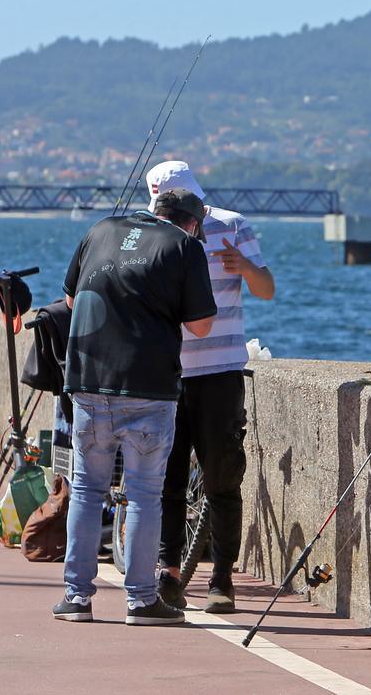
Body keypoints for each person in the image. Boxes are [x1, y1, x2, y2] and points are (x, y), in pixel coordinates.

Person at [54, 189, 216, 625]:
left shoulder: (100, 229)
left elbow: (71, 300)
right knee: (145, 496)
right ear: (192, 223)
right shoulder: (183, 247)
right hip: (148, 389)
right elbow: (201, 325)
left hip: (88, 382)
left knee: (87, 490)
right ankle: (142, 600)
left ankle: (76, 598)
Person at [145, 160, 276, 614]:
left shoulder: (232, 225)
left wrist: (244, 265)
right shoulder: (151, 229)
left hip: (220, 371)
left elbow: (267, 289)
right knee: (169, 477)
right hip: (168, 373)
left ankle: (222, 577)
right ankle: (170, 573)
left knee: (223, 475)